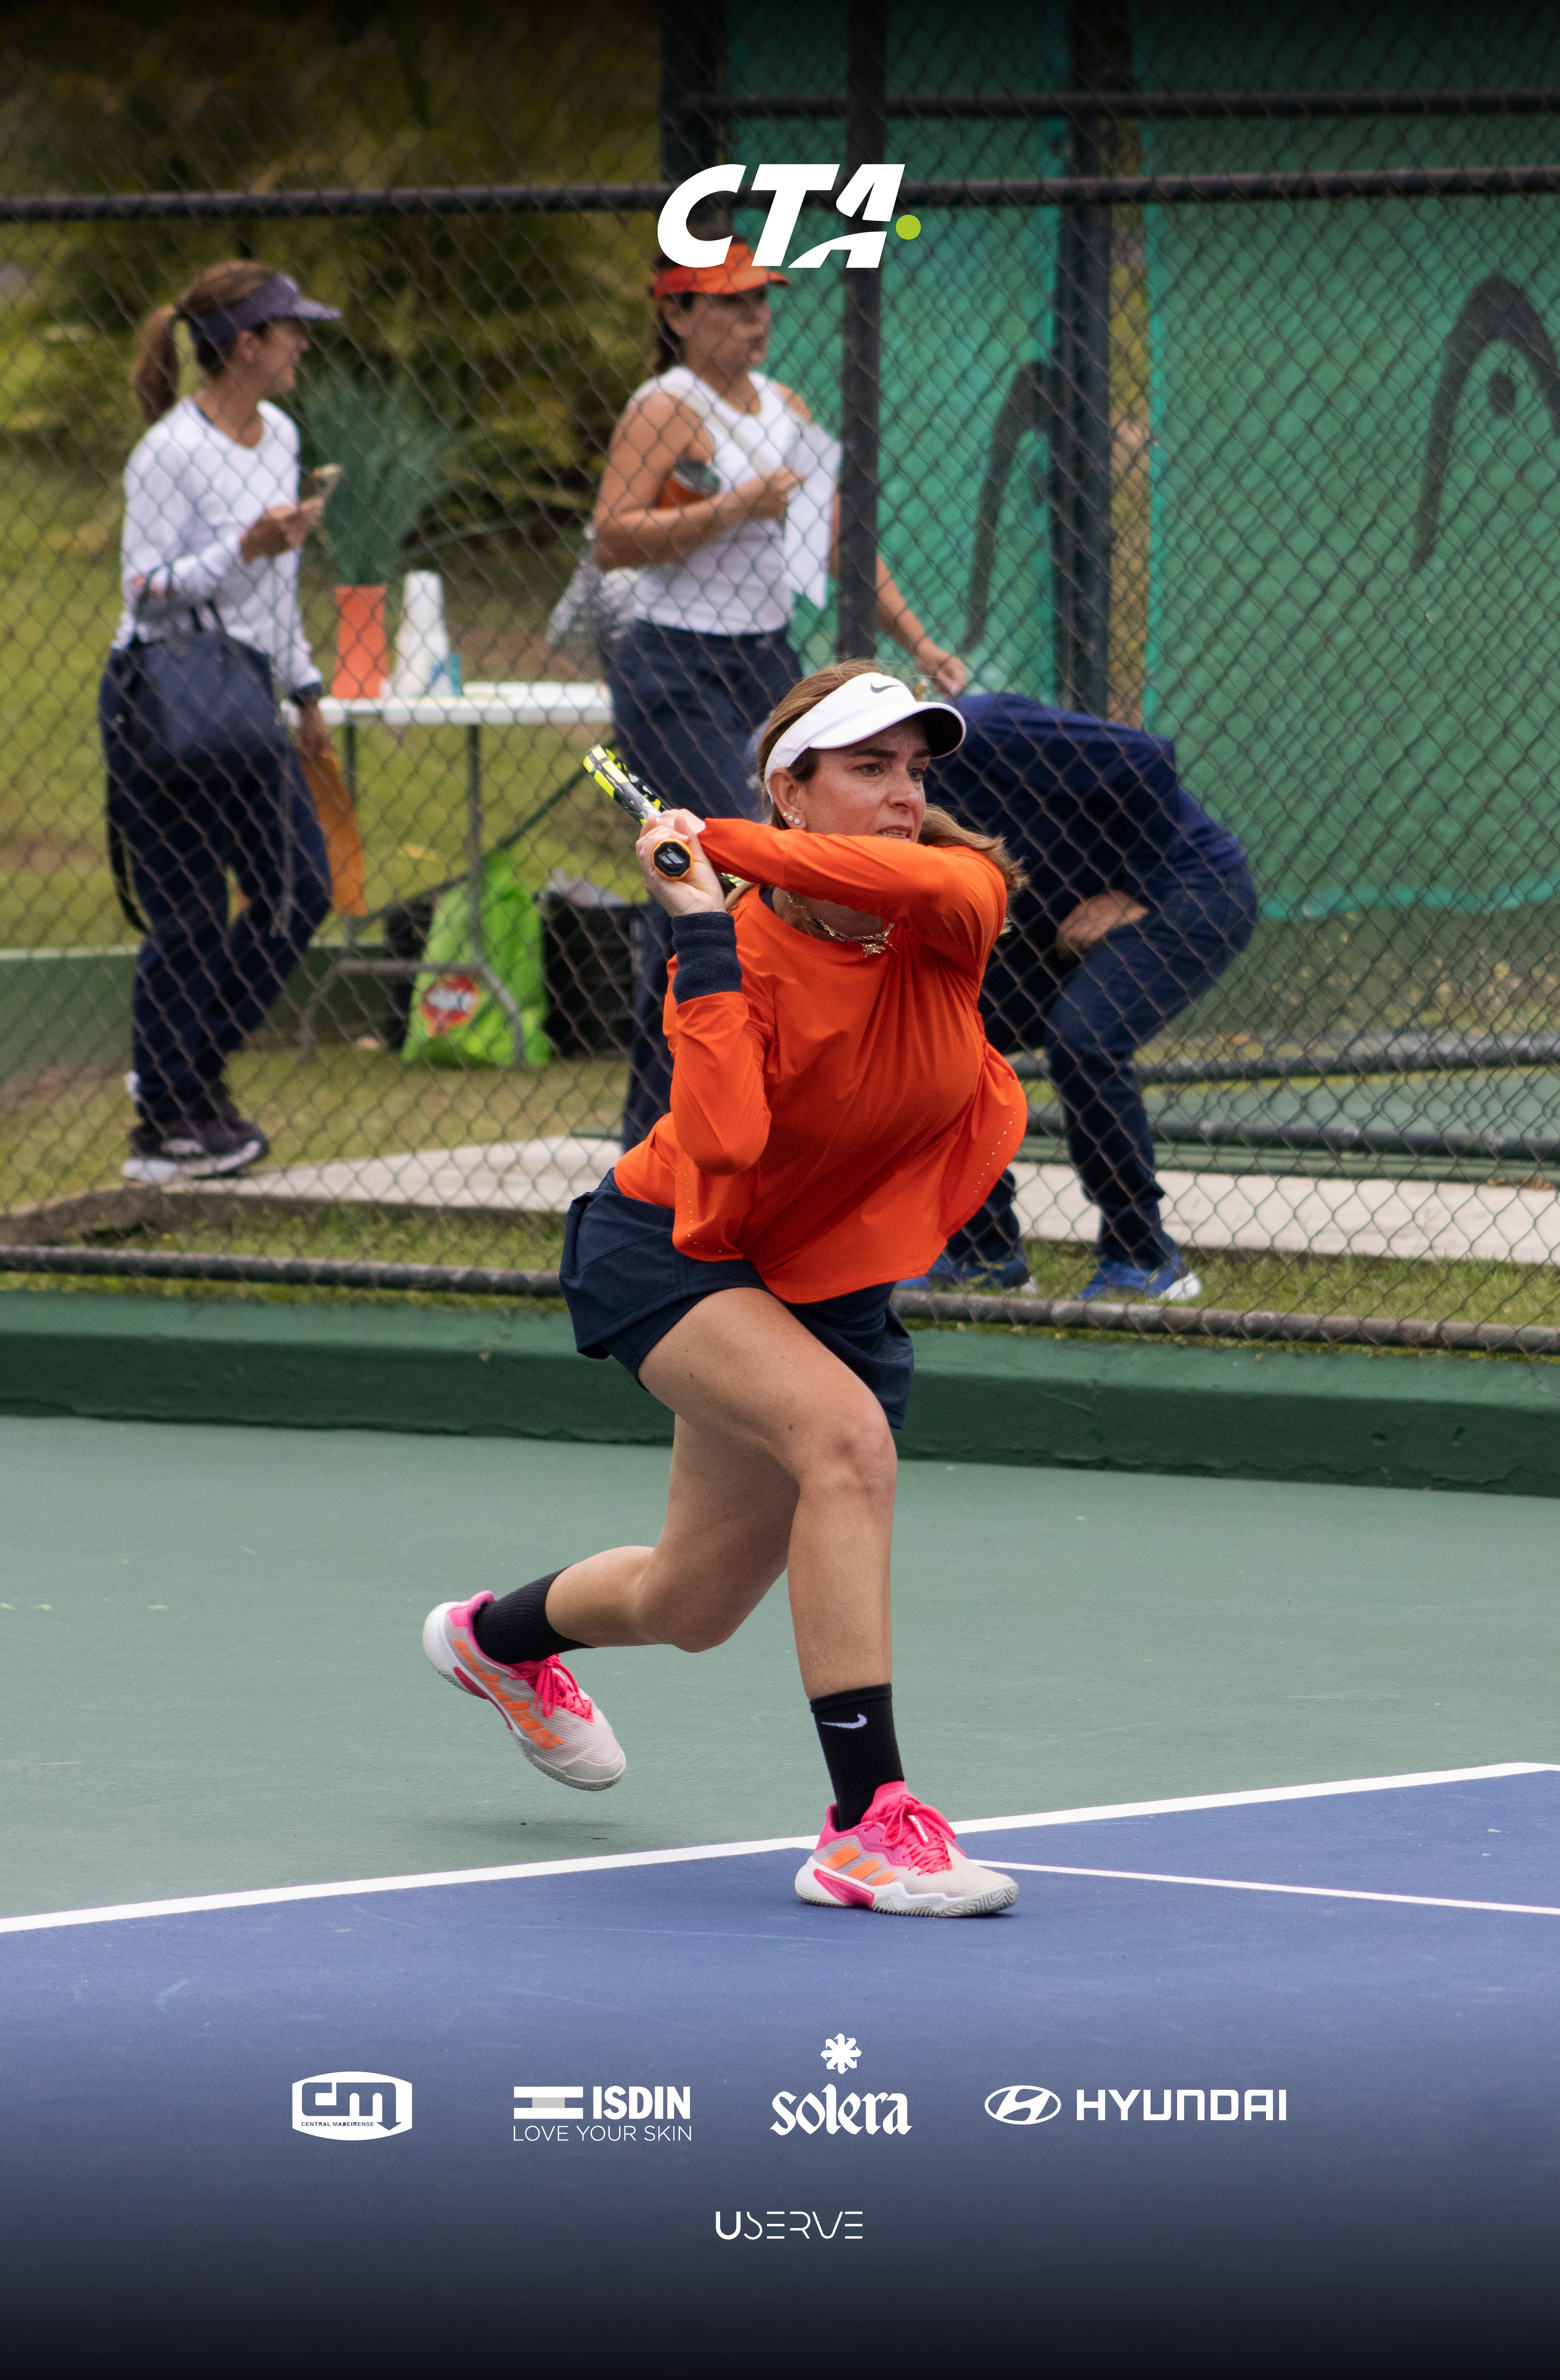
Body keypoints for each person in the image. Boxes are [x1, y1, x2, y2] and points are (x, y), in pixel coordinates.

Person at [423, 663, 1024, 1917]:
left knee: (688, 1605)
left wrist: (725, 843)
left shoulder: (958, 897)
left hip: (827, 1278)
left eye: (916, 769)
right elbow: (729, 1140)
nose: (907, 794)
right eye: (870, 768)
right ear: (794, 785)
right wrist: (703, 927)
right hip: (675, 1248)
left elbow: (885, 874)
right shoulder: (731, 946)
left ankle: (495, 1642)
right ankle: (870, 1823)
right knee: (846, 1444)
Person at [592, 236, 967, 1147]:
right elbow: (612, 538)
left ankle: (740, 1103)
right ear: (675, 316)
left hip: (764, 661)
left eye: (761, 301)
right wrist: (727, 508)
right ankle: (661, 1129)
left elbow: (841, 541)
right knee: (713, 874)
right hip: (673, 663)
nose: (754, 319)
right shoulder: (663, 404)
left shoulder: (787, 408)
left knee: (763, 880)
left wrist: (920, 642)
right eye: (728, 304)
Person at [102, 259, 341, 1183]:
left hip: (250, 703)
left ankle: (181, 1072)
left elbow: (275, 594)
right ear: (246, 345)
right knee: (191, 915)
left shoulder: (277, 433)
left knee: (298, 892)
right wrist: (240, 547)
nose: (302, 347)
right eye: (290, 332)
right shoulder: (168, 452)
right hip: (167, 704)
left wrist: (306, 690)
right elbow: (146, 592)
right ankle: (165, 1124)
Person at [899, 693, 1257, 1301]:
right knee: (938, 1035)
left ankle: (1143, 1256)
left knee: (1084, 1038)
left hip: (1185, 887)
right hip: (1058, 921)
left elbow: (1145, 757)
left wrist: (1134, 889)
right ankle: (985, 1254)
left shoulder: (981, 730)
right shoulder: (858, 812)